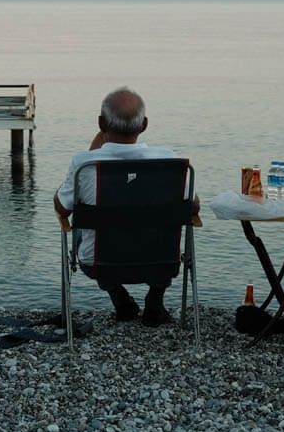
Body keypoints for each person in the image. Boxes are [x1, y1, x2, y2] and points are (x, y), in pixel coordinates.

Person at [53, 87, 197, 327]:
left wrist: (94, 151)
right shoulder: (170, 162)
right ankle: (154, 303)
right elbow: (193, 208)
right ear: (144, 124)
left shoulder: (84, 164)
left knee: (91, 229)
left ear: (101, 123)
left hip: (99, 263)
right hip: (161, 261)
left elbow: (62, 208)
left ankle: (120, 300)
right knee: (160, 232)